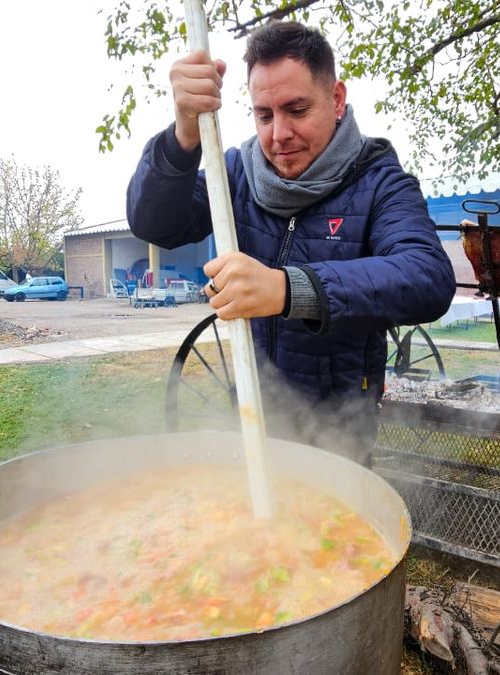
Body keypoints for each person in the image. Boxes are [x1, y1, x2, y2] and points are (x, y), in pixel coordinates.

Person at [126, 21, 454, 462]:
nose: (278, 134)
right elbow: (153, 223)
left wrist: (287, 288)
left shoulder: (381, 182)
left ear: (336, 99)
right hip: (250, 417)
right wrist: (182, 137)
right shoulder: (236, 175)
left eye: (297, 110)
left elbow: (426, 276)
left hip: (340, 433)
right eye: (264, 115)